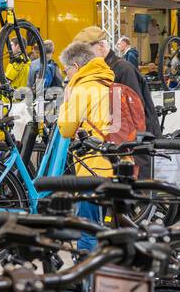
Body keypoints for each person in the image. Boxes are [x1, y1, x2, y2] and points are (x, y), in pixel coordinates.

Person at [58, 41, 115, 249]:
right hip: (117, 163)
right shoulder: (108, 82)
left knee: (88, 231)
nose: (66, 76)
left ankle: (88, 279)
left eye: (66, 71)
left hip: (93, 166)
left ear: (75, 67)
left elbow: (65, 129)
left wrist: (66, 101)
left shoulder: (82, 88)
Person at [73, 26, 157, 138]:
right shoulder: (98, 72)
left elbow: (135, 113)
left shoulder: (123, 69)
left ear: (101, 46)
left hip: (131, 146)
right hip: (110, 144)